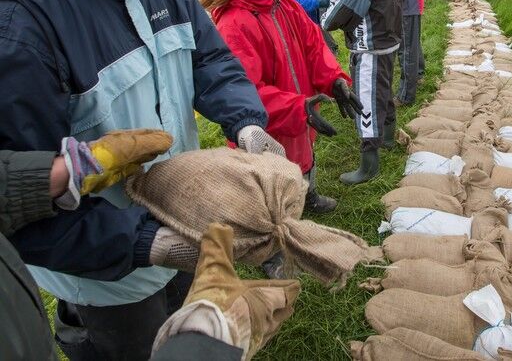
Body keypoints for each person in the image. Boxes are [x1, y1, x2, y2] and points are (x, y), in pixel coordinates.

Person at [0, 0, 280, 358]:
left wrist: (247, 123)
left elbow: (211, 61)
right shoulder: (18, 20)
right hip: (107, 280)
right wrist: (148, 243)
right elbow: (19, 204)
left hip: (184, 228)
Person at [0, 144, 296, 360]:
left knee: (175, 298)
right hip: (107, 284)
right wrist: (207, 340)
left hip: (171, 234)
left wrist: (59, 173)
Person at [199, 0, 361, 218]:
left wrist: (334, 80)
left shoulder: (283, 3)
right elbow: (244, 93)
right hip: (266, 130)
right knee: (271, 184)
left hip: (299, 114)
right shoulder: (234, 23)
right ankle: (273, 239)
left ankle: (307, 195)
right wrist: (298, 107)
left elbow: (314, 47)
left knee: (304, 158)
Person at [321, 0, 405, 185]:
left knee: (367, 101)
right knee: (385, 92)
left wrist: (327, 15)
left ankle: (369, 165)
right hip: (390, 41)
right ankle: (389, 138)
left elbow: (334, 17)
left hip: (370, 48)